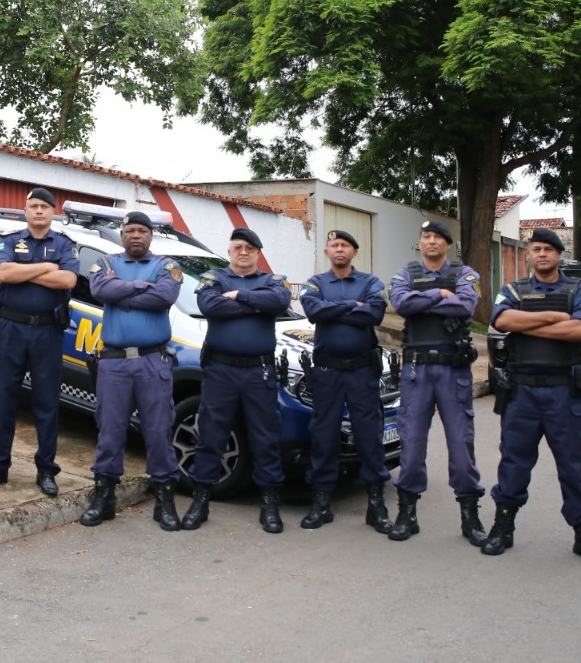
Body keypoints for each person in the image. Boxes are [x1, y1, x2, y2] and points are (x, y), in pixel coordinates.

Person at [483, 227, 581, 567]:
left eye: (548, 249)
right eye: (536, 248)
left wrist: (527, 324)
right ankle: (503, 527)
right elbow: (502, 319)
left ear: (558, 255)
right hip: (522, 392)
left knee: (574, 466)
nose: (542, 254)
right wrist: (554, 317)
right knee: (513, 464)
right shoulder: (512, 289)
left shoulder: (578, 289)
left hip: (563, 392)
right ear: (527, 253)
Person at [180, 227, 292, 534]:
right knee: (211, 435)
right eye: (238, 247)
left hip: (260, 372)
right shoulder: (214, 278)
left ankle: (269, 504)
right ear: (229, 251)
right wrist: (256, 305)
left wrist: (240, 296)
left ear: (258, 253)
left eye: (250, 249)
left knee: (265, 438)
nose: (244, 252)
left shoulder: (273, 281)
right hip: (221, 371)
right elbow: (210, 305)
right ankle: (200, 500)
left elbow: (280, 301)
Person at [0, 188, 77, 495]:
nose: (39, 211)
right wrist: (46, 268)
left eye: (44, 206)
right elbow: (4, 272)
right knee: (2, 399)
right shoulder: (10, 240)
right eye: (33, 206)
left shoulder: (65, 244)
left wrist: (24, 271)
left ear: (52, 212)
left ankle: (46, 471)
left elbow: (68, 280)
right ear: (26, 211)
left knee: (46, 403)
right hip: (11, 329)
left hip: (47, 332)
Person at [80, 212, 184, 531]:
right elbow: (100, 290)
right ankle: (104, 497)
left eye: (142, 231)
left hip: (153, 361)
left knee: (158, 431)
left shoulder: (168, 266)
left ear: (151, 236)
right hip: (114, 362)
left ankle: (164, 500)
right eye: (130, 231)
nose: (136, 235)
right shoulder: (106, 262)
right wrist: (140, 286)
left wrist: (122, 292)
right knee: (110, 430)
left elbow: (165, 296)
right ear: (122, 234)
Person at [386, 220, 486, 544]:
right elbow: (401, 304)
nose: (431, 241)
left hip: (452, 370)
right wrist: (438, 294)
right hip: (416, 370)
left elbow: (466, 305)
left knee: (461, 445)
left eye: (437, 237)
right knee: (412, 445)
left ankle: (469, 516)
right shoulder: (405, 273)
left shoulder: (465, 274)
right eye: (426, 236)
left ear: (447, 243)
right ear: (420, 242)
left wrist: (422, 299)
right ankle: (407, 514)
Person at [298, 229, 393, 533]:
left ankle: (376, 505)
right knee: (323, 436)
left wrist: (334, 311)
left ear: (354, 252)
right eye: (334, 245)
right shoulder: (315, 283)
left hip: (362, 372)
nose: (339, 249)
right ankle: (321, 503)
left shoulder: (371, 282)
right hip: (327, 373)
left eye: (345, 246)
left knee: (369, 435)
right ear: (327, 252)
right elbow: (313, 311)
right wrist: (355, 306)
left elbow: (375, 314)